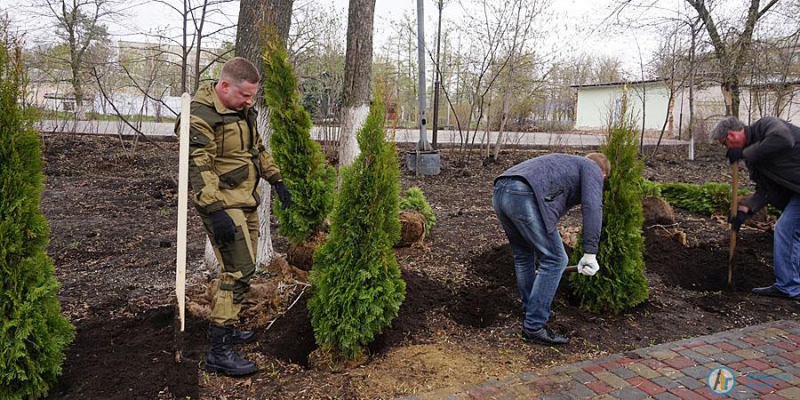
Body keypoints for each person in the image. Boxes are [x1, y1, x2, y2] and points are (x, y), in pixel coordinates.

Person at [177, 57, 293, 375]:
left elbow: (256, 147)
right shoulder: (201, 114)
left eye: (252, 95)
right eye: (245, 95)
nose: (249, 101)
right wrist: (215, 212)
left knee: (246, 267)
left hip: (246, 199)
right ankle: (218, 351)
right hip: (221, 203)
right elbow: (199, 166)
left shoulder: (243, 109)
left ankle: (226, 331)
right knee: (238, 271)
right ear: (224, 86)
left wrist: (277, 179)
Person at [492, 153, 609, 345]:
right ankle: (534, 327)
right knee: (556, 259)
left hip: (501, 190)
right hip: (522, 194)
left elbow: (549, 208)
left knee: (523, 255)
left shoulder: (567, 164)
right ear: (603, 174)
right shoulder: (592, 168)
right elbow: (592, 207)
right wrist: (590, 252)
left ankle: (530, 309)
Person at [711, 116, 800, 300]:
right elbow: (766, 190)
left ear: (734, 133)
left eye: (725, 143)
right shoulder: (754, 162)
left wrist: (743, 154)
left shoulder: (766, 126)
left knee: (786, 230)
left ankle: (789, 286)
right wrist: (745, 210)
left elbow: (784, 139)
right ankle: (789, 283)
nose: (727, 148)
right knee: (790, 231)